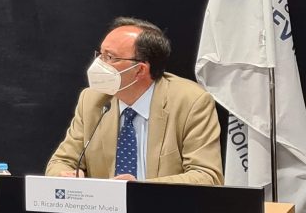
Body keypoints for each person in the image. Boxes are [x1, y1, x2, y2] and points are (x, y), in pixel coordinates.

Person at [46, 17, 222, 184]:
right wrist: (66, 175)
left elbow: (207, 176)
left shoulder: (191, 101)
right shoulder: (92, 100)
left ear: (140, 70)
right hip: (104, 212)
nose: (99, 63)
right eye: (100, 54)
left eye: (109, 57)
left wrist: (140, 191)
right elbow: (60, 162)